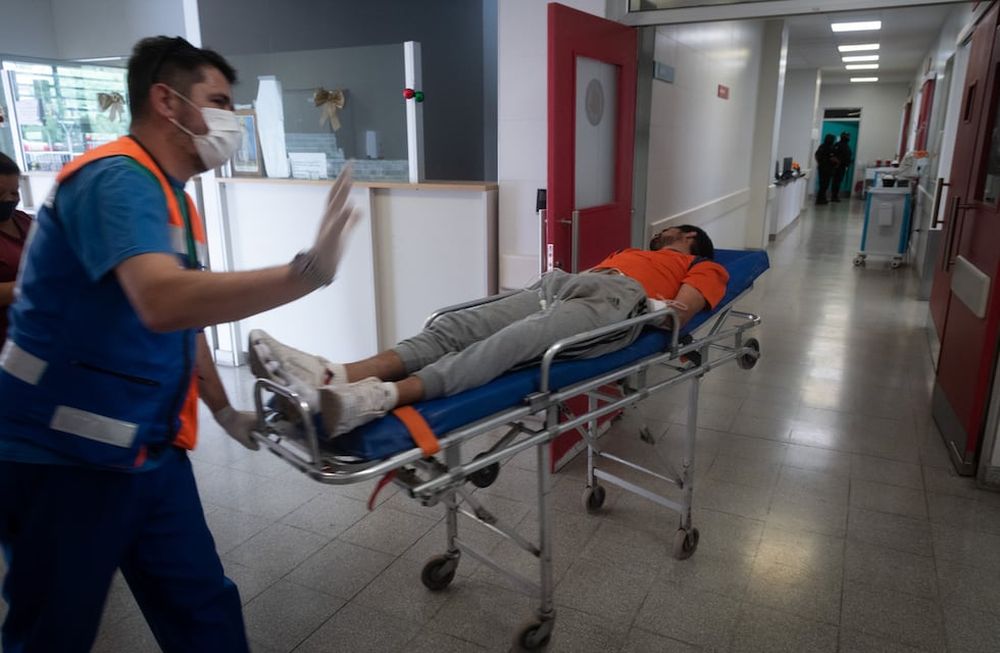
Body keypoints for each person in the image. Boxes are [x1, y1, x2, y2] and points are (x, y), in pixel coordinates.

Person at [0, 36, 357, 652]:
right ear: (166, 101)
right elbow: (161, 300)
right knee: (53, 631)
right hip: (57, 460)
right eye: (217, 102)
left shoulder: (172, 201)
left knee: (203, 610)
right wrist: (303, 275)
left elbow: (181, 328)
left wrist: (222, 410)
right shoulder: (114, 179)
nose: (231, 121)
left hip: (147, 454)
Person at [250, 225, 729, 438]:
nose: (660, 232)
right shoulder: (631, 250)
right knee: (459, 325)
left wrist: (656, 306)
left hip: (620, 304)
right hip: (567, 284)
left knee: (511, 343)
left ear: (689, 238)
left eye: (671, 230)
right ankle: (333, 373)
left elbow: (678, 313)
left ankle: (378, 398)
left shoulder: (701, 263)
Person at [0, 153, 31, 348]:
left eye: (15, 193)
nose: (9, 200)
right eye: (0, 194)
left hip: (30, 337)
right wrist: (36, 285)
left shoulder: (24, 220)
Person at [814, 133, 838, 205]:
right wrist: (837, 162)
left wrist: (819, 163)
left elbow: (816, 155)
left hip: (821, 168)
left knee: (822, 184)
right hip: (827, 169)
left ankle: (821, 198)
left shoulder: (822, 146)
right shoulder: (830, 147)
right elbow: (832, 158)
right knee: (825, 184)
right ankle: (820, 199)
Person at [831, 132, 853, 202]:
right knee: (836, 182)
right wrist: (837, 163)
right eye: (847, 136)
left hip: (842, 166)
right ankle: (834, 196)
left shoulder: (846, 146)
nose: (848, 138)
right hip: (838, 167)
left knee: (838, 182)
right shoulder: (838, 145)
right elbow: (833, 155)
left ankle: (835, 196)